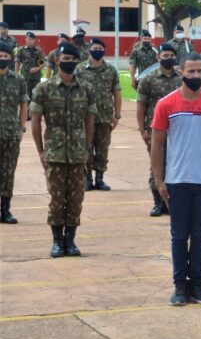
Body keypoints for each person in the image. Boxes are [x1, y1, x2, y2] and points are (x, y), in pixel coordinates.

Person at [151, 53, 201, 306]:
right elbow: (157, 145)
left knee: (200, 236)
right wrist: (159, 180)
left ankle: (197, 285)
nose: (196, 77)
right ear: (180, 72)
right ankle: (180, 286)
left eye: (200, 72)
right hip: (177, 181)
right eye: (191, 72)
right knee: (179, 236)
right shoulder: (166, 104)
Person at [30, 43, 95, 257]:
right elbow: (36, 121)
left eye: (73, 60)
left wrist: (87, 148)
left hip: (77, 153)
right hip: (55, 153)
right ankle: (57, 241)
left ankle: (71, 240)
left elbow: (89, 119)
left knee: (76, 199)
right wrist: (41, 150)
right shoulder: (44, 89)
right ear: (57, 60)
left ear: (77, 61)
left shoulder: (86, 88)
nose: (69, 63)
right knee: (57, 200)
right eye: (65, 59)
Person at [136, 44, 182, 216]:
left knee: (174, 166)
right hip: (155, 130)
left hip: (177, 131)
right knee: (157, 166)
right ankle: (158, 203)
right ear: (158, 57)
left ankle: (171, 202)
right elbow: (141, 106)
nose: (168, 58)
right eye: (165, 55)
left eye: (171, 55)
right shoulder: (148, 79)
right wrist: (143, 131)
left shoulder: (181, 78)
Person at [75, 38, 122, 192]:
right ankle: (87, 179)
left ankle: (100, 179)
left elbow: (117, 92)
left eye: (100, 48)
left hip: (104, 116)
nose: (98, 50)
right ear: (89, 49)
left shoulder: (111, 70)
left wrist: (117, 115)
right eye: (95, 48)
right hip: (84, 116)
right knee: (86, 147)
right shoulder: (80, 69)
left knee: (102, 149)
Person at [0, 42, 28, 224]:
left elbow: (23, 104)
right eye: (0, 56)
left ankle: (5, 210)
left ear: (10, 58)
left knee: (8, 173)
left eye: (5, 56)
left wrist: (21, 128)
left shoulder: (18, 80)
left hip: (10, 134)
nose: (2, 59)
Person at [15, 31, 44, 100]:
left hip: (36, 78)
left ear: (34, 40)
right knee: (25, 97)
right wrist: (16, 75)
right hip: (25, 78)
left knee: (36, 97)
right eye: (28, 39)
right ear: (25, 39)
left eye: (31, 39)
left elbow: (43, 63)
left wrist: (37, 68)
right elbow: (17, 62)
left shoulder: (38, 50)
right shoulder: (21, 50)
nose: (29, 41)